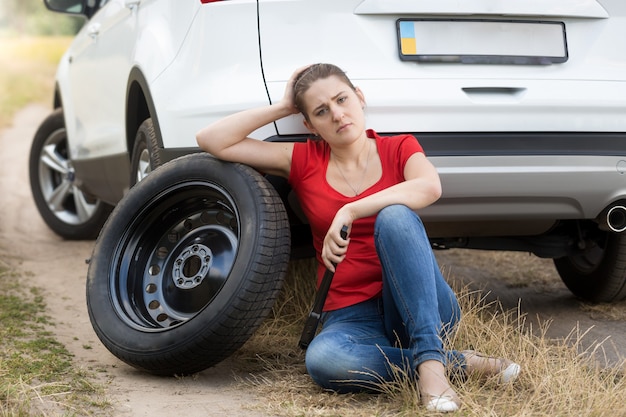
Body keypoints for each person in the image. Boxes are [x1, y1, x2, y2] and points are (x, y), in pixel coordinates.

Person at [196, 63, 520, 412]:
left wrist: (351, 210)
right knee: (325, 361)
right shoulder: (304, 160)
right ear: (309, 124)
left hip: (420, 305)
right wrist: (283, 107)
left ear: (359, 97)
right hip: (349, 315)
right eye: (321, 111)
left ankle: (430, 364)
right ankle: (460, 363)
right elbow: (212, 140)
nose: (337, 114)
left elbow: (429, 187)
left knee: (395, 216)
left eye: (341, 99)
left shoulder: (399, 148)